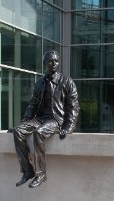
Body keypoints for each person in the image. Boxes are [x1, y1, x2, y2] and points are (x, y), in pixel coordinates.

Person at [13, 50, 79, 188]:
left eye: (56, 61)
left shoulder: (67, 81)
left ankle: (41, 174)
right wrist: (25, 122)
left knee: (39, 133)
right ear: (45, 63)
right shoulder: (40, 83)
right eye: (50, 61)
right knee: (18, 131)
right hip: (41, 118)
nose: (53, 63)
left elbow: (73, 107)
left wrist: (68, 127)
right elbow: (33, 104)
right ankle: (27, 170)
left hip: (56, 120)